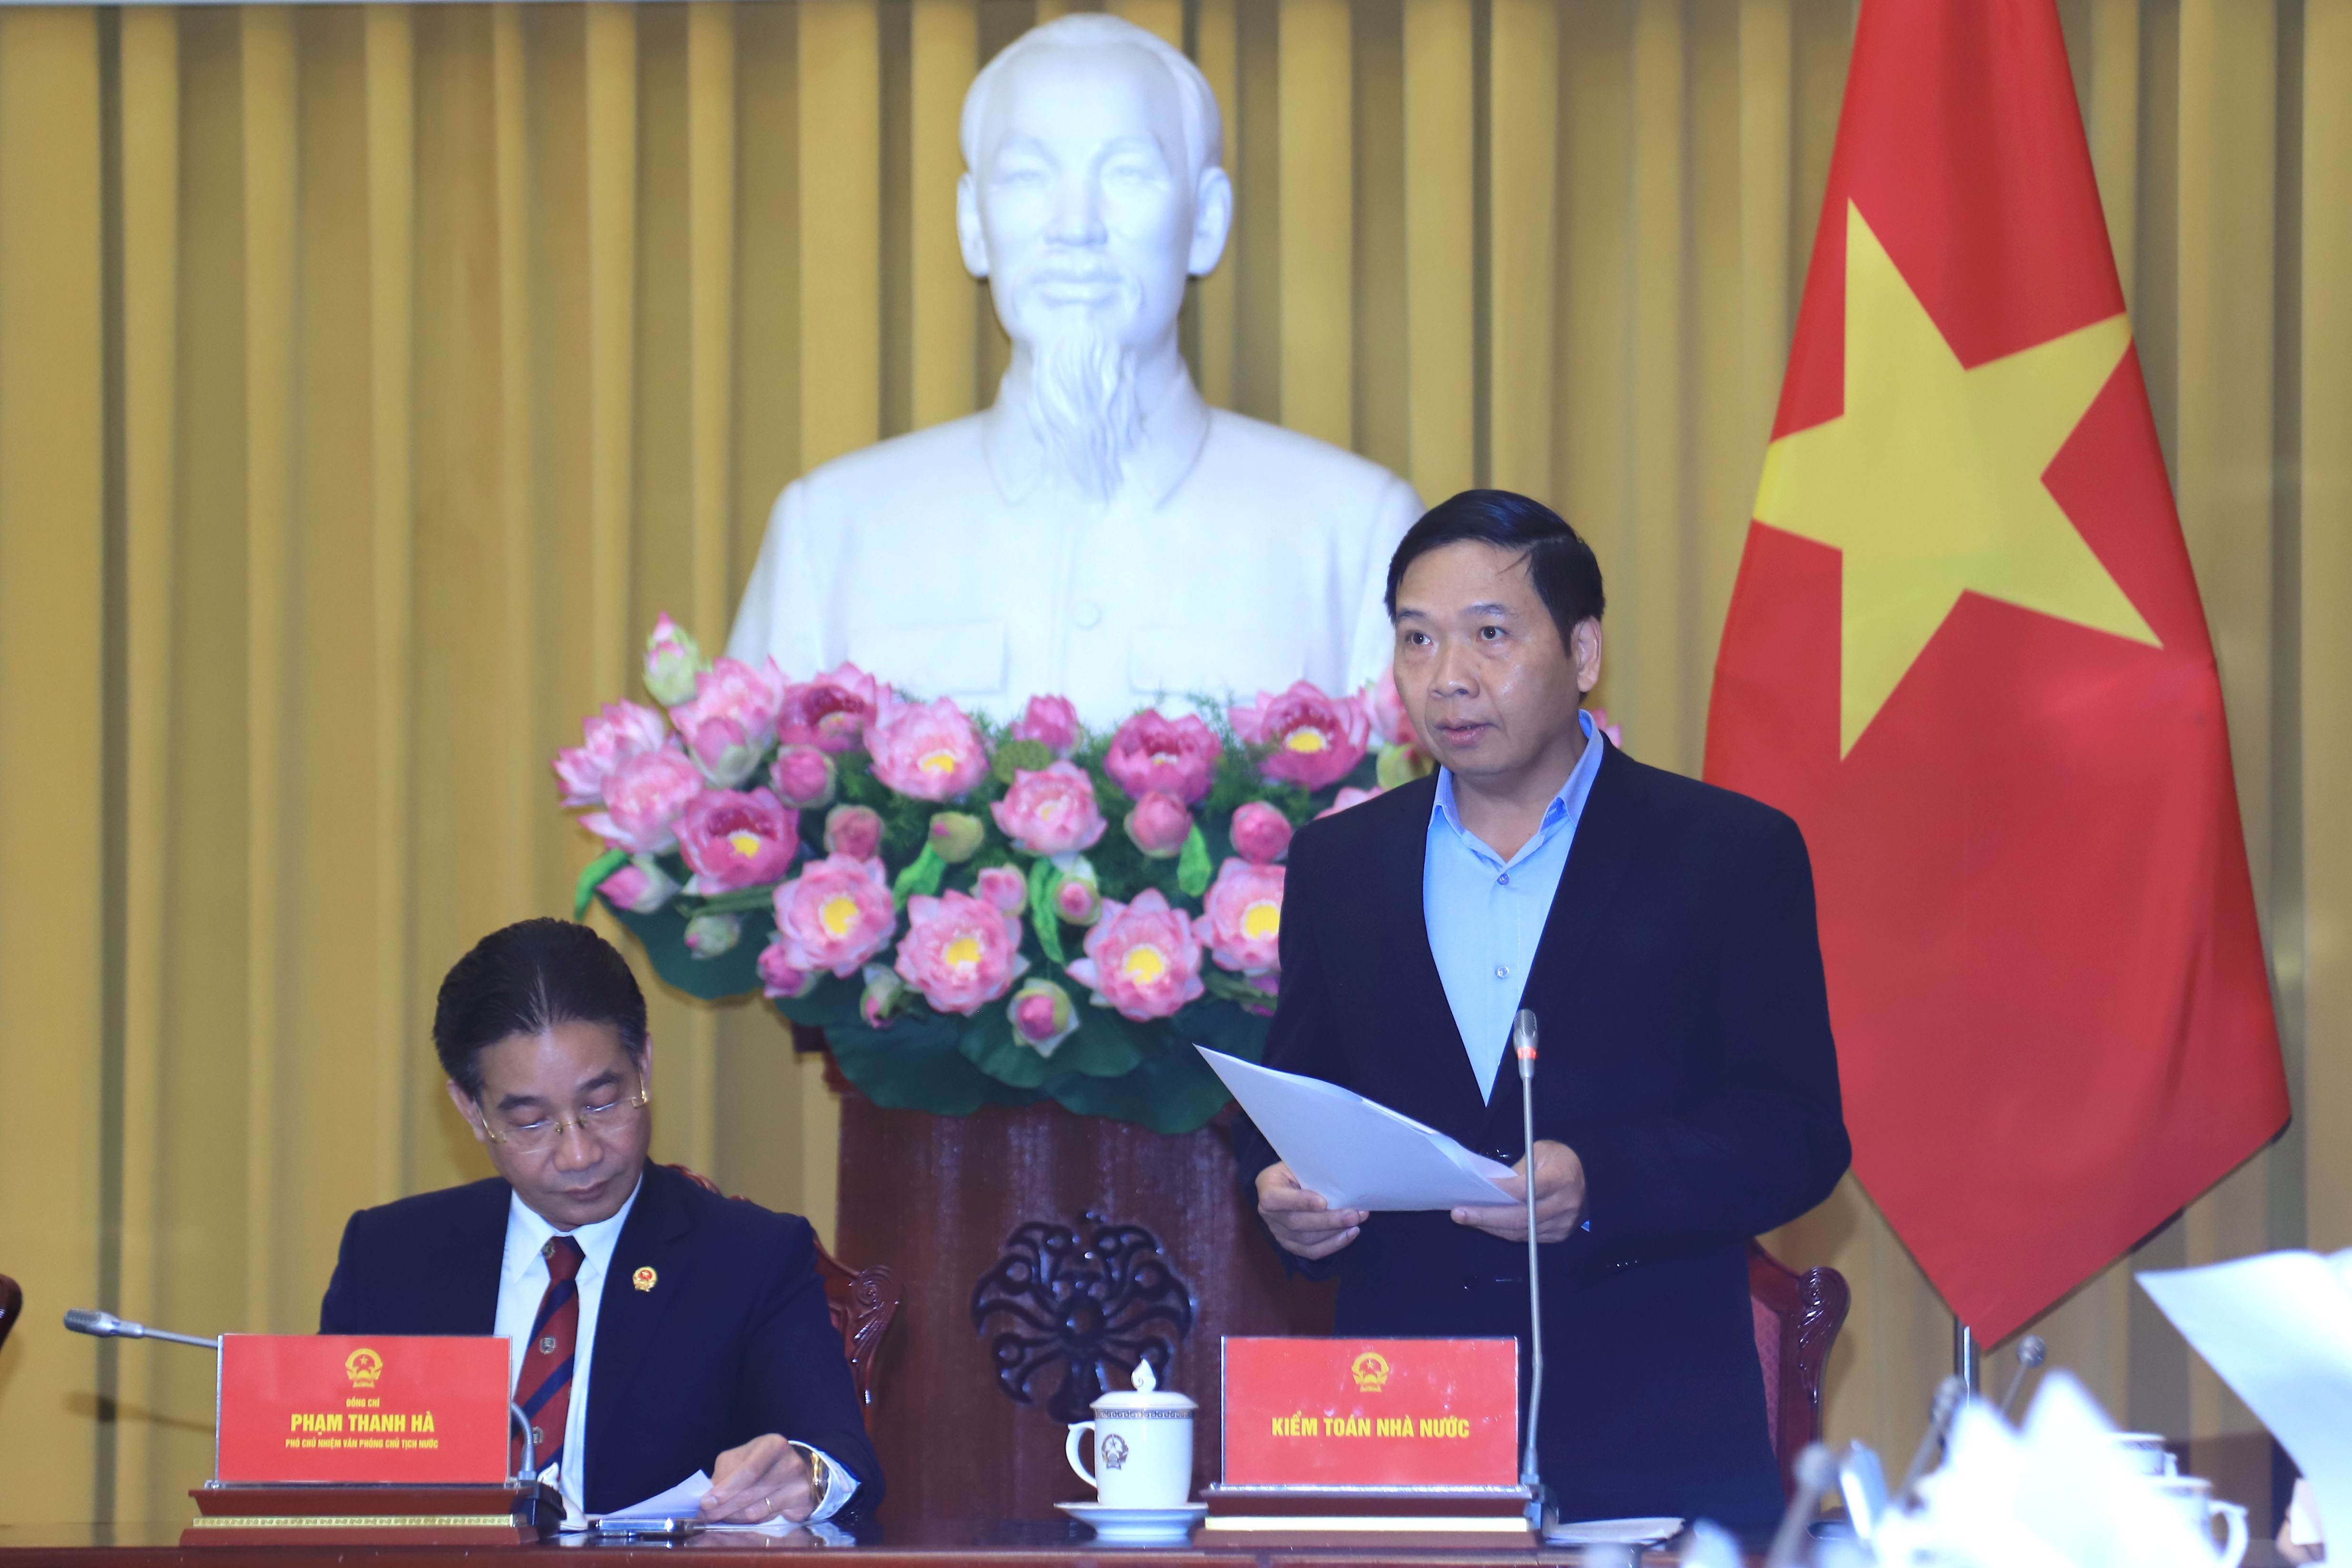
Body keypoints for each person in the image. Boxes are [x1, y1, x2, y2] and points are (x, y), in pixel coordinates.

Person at [1236, 490, 1852, 1528]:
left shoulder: (1725, 853)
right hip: (1403, 1438)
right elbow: (1295, 1102)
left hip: (1651, 1439)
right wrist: (1283, 1197)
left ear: (1583, 651)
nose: (1448, 677)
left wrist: (1600, 1181)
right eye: (1417, 639)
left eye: (1490, 635)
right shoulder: (1342, 863)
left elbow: (1794, 1134)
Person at [726, 12, 1419, 727]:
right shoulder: (831, 533)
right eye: (1027, 177)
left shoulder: (1354, 535)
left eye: (1128, 173)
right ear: (973, 225)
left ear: (1207, 221)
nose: (1076, 226)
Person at [320, 918, 879, 1526]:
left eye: (603, 1103)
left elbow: (841, 1457)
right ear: (472, 1112)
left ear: (644, 1064)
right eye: (531, 1122)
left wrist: (806, 1475)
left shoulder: (749, 1257)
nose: (580, 1154)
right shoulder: (390, 1256)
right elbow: (318, 1476)